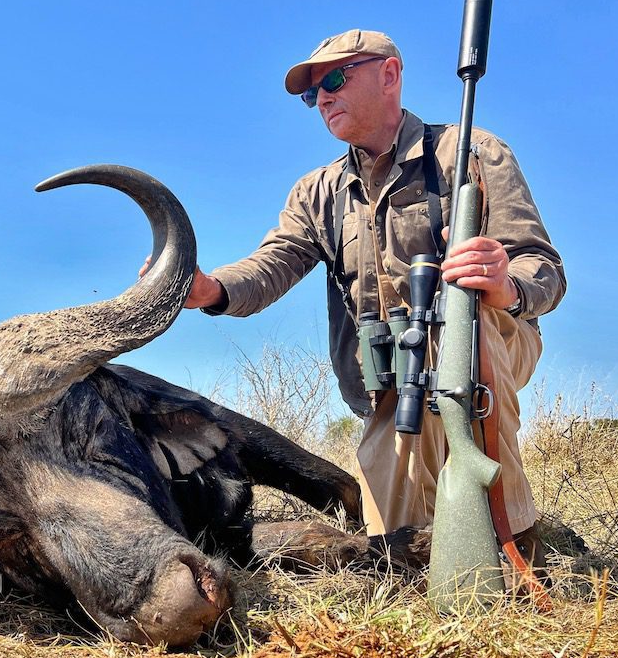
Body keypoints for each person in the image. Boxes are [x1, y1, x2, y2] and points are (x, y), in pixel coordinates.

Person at [163, 29, 565, 564]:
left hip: (488, 347)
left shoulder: (474, 153)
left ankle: (516, 546)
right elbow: (272, 264)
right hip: (390, 383)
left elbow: (545, 269)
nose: (322, 98)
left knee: (463, 336)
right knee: (395, 548)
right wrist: (211, 289)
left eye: (334, 78)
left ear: (390, 75)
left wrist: (504, 281)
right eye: (312, 94)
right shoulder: (316, 192)